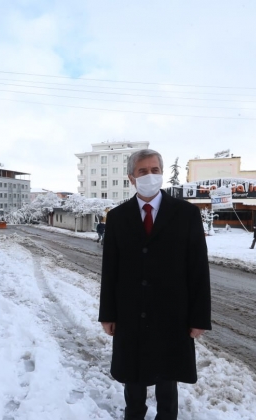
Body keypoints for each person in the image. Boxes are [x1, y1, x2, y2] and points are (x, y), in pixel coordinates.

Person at [99, 149, 211, 420]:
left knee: (167, 378)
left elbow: (198, 270)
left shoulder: (186, 214)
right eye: (142, 171)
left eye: (154, 170)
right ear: (131, 178)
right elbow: (110, 270)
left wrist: (199, 318)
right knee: (133, 380)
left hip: (173, 314)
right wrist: (108, 314)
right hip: (130, 312)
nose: (149, 176)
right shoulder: (118, 217)